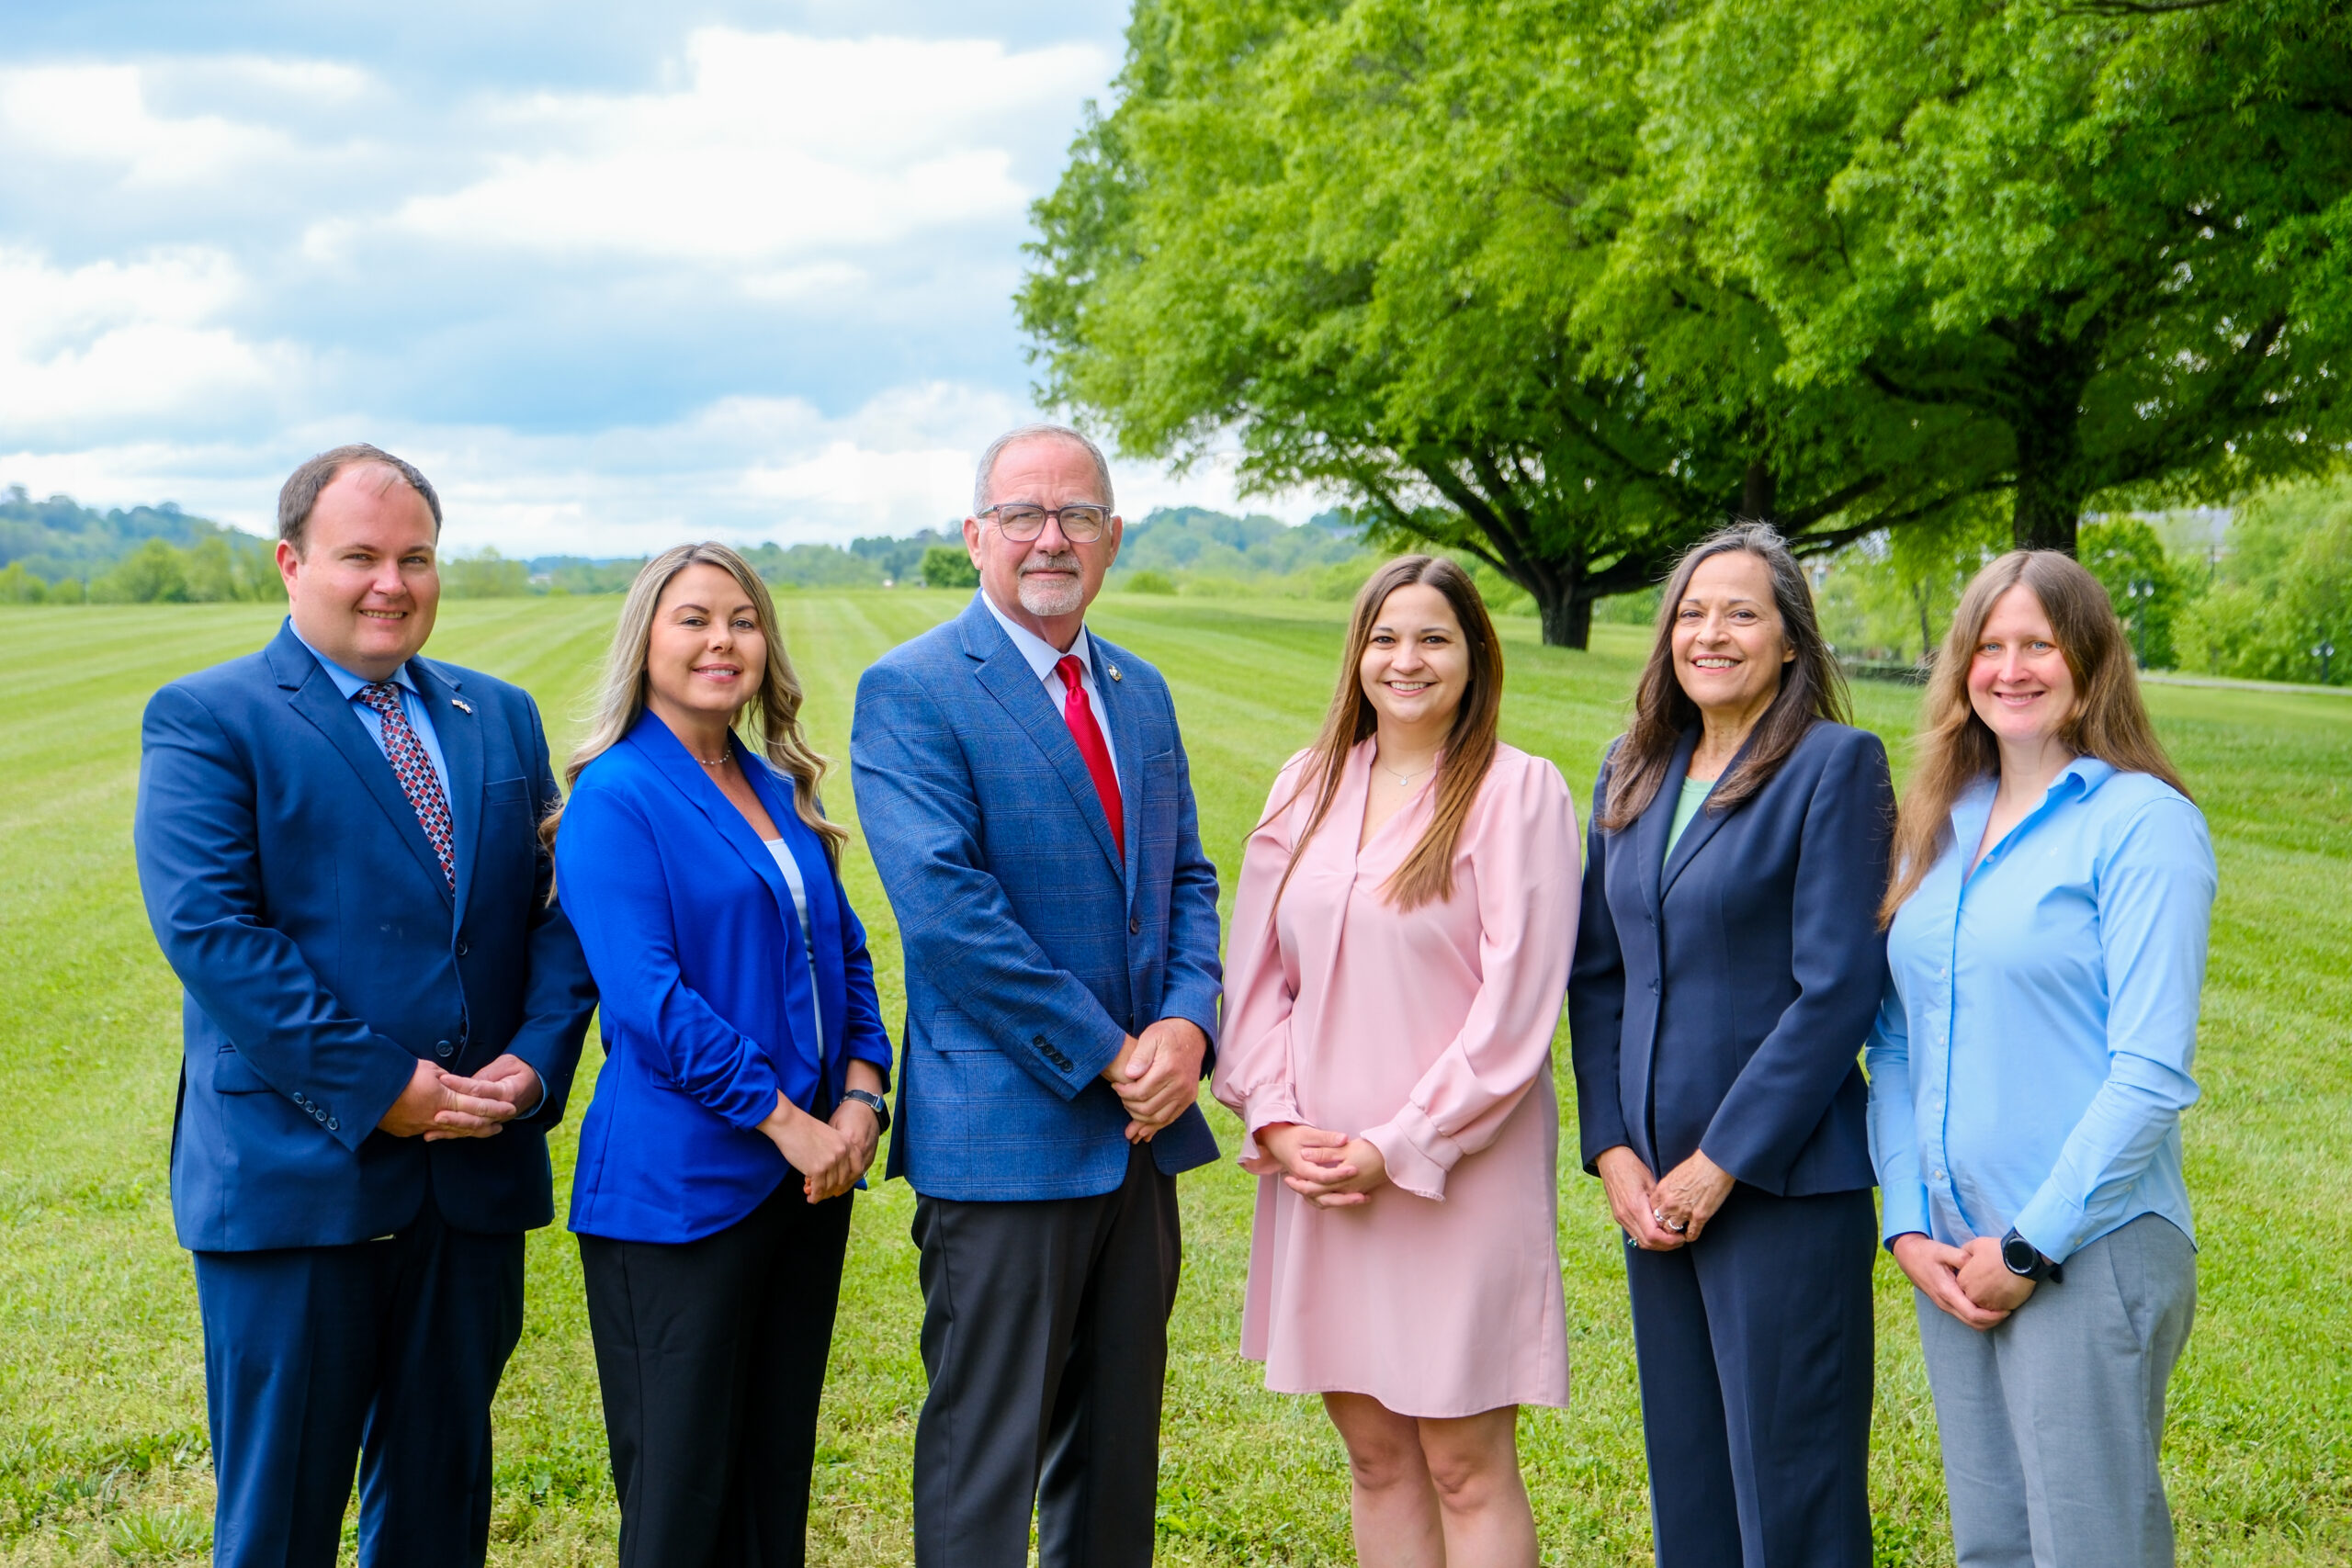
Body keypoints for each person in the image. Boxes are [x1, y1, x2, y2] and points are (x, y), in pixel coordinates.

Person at [132, 445, 596, 1568]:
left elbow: (556, 918)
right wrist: (384, 1087)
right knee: (282, 1520)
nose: (392, 583)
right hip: (299, 1181)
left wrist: (534, 1066)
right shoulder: (210, 718)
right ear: (291, 564)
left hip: (472, 1180)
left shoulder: (501, 716)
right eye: (361, 557)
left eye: (416, 558)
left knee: (441, 1511)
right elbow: (214, 936)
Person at [850, 422, 1222, 1568]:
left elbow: (1189, 877)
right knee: (983, 1461)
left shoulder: (1139, 691)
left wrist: (1188, 1025)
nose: (1049, 538)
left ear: (1112, 537)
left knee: (1115, 1462)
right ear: (976, 537)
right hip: (1006, 1138)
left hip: (1138, 1145)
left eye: (1076, 515)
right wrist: (1116, 1052)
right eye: (1023, 515)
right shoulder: (912, 690)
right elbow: (951, 918)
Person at [1214, 556, 1575, 1568]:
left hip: (1455, 1171)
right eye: (1384, 637)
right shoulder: (1308, 783)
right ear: (1356, 653)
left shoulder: (1519, 794)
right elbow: (1254, 981)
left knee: (1464, 1461)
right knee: (1373, 1456)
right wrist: (1277, 1122)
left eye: (1432, 638)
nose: (1404, 660)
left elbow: (1517, 1012)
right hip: (1320, 1169)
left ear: (1474, 655)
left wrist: (1400, 1142)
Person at [548, 543, 894, 1567]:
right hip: (682, 1193)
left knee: (770, 1478)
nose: (721, 641)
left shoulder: (774, 783)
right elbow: (651, 1002)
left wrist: (863, 1100)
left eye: (741, 619)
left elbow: (846, 951)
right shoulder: (615, 796)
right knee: (681, 1497)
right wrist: (790, 1124)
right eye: (693, 618)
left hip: (805, 1184)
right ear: (645, 639)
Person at [1868, 551, 2214, 1568]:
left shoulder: (2142, 824)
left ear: (2090, 660)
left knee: (2088, 1548)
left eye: (2038, 644)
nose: (2010, 669)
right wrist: (1906, 1224)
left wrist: (2028, 1247)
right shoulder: (1937, 822)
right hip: (1951, 1249)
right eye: (1988, 645)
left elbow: (2150, 1071)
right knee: (1992, 1546)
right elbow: (1892, 1039)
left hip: (2087, 1245)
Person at [1566, 521, 1891, 1568]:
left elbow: (1836, 990)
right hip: (1651, 1187)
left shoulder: (1833, 766)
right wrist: (1614, 1149)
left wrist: (1718, 1166)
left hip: (1780, 1188)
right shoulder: (1635, 765)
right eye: (1692, 613)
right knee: (1692, 1484)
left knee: (1792, 1495)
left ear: (1790, 641)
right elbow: (1601, 970)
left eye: (1741, 613)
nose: (1711, 633)